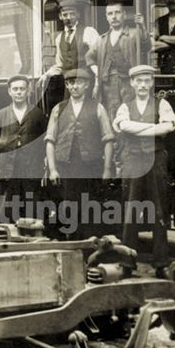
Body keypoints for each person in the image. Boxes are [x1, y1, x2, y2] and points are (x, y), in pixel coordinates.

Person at [113, 65, 175, 273]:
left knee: (159, 209)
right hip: (132, 161)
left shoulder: (162, 104)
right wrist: (152, 129)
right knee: (131, 209)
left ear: (151, 83)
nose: (143, 85)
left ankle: (161, 263)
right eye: (139, 81)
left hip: (156, 159)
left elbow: (169, 127)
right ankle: (127, 263)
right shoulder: (125, 106)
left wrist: (137, 128)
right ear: (132, 83)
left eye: (147, 81)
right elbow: (122, 126)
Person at [45, 68, 114, 240]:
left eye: (79, 83)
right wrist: (52, 169)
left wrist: (106, 169)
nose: (74, 87)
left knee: (90, 208)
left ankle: (87, 250)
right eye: (71, 83)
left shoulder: (97, 108)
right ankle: (69, 249)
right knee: (66, 208)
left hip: (90, 166)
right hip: (65, 166)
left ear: (87, 85)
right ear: (67, 86)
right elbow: (50, 140)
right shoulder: (58, 109)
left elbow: (108, 139)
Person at [0, 75, 47, 222]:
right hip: (7, 171)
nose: (19, 92)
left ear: (28, 91)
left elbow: (44, 141)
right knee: (7, 211)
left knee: (32, 210)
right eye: (15, 89)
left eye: (22, 89)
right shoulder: (0, 116)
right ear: (9, 91)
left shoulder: (38, 115)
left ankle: (32, 240)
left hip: (31, 170)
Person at [87, 1, 152, 123]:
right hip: (108, 83)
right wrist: (98, 73)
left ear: (124, 15)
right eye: (110, 13)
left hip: (128, 81)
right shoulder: (102, 39)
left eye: (117, 12)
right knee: (111, 113)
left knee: (130, 112)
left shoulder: (133, 34)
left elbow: (146, 45)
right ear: (106, 17)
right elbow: (89, 57)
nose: (114, 16)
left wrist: (142, 26)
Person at [42, 0, 99, 107]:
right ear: (60, 16)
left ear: (78, 15)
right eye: (65, 14)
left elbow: (99, 60)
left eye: (72, 14)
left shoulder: (89, 32)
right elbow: (60, 65)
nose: (68, 17)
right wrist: (46, 74)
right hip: (70, 85)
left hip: (87, 84)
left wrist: (97, 83)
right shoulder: (59, 38)